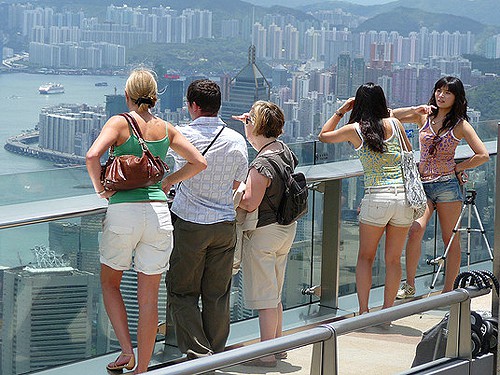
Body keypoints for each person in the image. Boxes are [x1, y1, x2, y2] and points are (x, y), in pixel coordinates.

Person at [86, 68, 207, 374]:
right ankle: (142, 370)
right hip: (158, 215)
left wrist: (101, 189)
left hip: (123, 212)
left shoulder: (119, 122)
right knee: (149, 299)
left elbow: (92, 156)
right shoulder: (166, 128)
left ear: (127, 95)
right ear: (155, 95)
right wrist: (168, 182)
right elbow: (199, 162)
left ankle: (126, 351)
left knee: (110, 282)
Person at [166, 79, 248, 359]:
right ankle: (216, 354)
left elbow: (161, 163)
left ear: (194, 105)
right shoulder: (237, 139)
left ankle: (200, 356)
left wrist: (170, 182)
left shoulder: (181, 135)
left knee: (182, 292)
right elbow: (238, 183)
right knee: (218, 294)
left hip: (190, 224)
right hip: (225, 225)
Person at [318, 83, 414, 315]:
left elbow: (323, 136)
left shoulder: (354, 130)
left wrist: (340, 110)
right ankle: (387, 312)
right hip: (403, 199)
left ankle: (363, 312)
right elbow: (409, 153)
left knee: (365, 257)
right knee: (393, 260)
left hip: (376, 197)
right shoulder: (396, 124)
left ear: (358, 105)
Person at [392, 76, 489, 298]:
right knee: (415, 230)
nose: (441, 95)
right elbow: (390, 116)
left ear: (457, 97)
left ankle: (449, 290)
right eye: (438, 90)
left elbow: (482, 155)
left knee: (450, 238)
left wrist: (459, 167)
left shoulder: (461, 125)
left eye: (447, 92)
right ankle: (410, 285)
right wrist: (414, 108)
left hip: (447, 186)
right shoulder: (423, 116)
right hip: (422, 185)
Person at [232, 101, 298, 367]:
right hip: (285, 228)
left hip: (264, 232)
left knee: (265, 297)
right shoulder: (283, 150)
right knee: (275, 291)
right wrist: (253, 122)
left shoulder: (262, 164)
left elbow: (249, 202)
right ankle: (277, 346)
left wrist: (232, 192)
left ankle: (266, 354)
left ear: (256, 126)